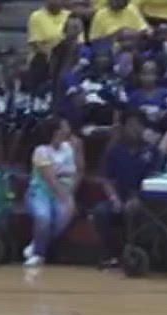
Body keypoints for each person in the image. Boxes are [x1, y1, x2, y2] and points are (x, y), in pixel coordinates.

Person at [94, 112, 159, 269]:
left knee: (133, 209)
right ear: (123, 128)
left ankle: (135, 255)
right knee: (100, 212)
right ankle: (113, 254)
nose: (135, 129)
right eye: (131, 125)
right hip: (121, 195)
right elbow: (107, 179)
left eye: (138, 125)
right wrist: (114, 198)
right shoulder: (114, 151)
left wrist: (140, 197)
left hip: (146, 198)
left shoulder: (152, 152)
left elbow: (156, 178)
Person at [25, 117, 79, 268]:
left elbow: (71, 173)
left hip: (63, 190)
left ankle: (36, 243)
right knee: (43, 218)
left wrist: (69, 196)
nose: (67, 130)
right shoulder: (41, 151)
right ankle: (38, 254)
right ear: (55, 131)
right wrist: (67, 200)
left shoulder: (68, 148)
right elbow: (50, 179)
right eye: (64, 127)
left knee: (62, 219)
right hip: (40, 192)